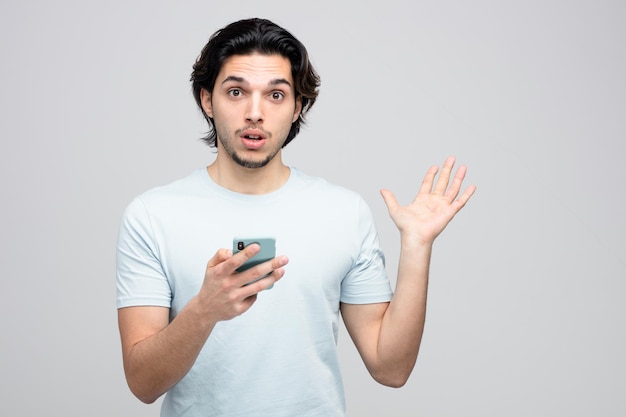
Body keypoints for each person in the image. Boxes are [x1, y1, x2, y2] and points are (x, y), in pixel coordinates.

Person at [116, 17, 476, 417]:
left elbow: (390, 369)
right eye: (236, 91)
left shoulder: (344, 213)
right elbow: (142, 384)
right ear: (206, 100)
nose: (255, 113)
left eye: (275, 95)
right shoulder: (152, 215)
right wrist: (205, 309)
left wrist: (417, 246)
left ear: (297, 107)